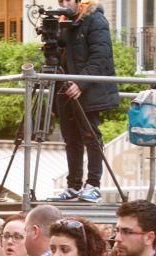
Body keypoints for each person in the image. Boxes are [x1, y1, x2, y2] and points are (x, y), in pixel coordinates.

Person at [49, 0, 119, 204]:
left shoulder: (95, 19)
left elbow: (101, 56)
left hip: (87, 90)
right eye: (60, 1)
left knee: (90, 136)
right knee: (70, 138)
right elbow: (58, 55)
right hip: (64, 88)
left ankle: (94, 185)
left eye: (67, 0)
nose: (63, 4)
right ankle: (73, 185)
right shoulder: (64, 22)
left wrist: (81, 83)